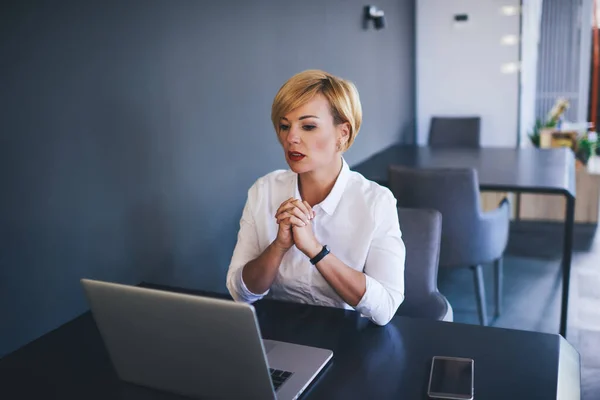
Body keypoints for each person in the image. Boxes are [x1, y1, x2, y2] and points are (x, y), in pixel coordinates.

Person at [226, 69, 405, 326]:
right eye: (284, 126)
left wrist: (316, 251)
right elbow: (240, 293)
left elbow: (385, 308)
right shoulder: (263, 190)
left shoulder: (377, 202)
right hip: (279, 336)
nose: (291, 138)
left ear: (342, 133)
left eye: (308, 126)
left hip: (352, 340)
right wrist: (278, 247)